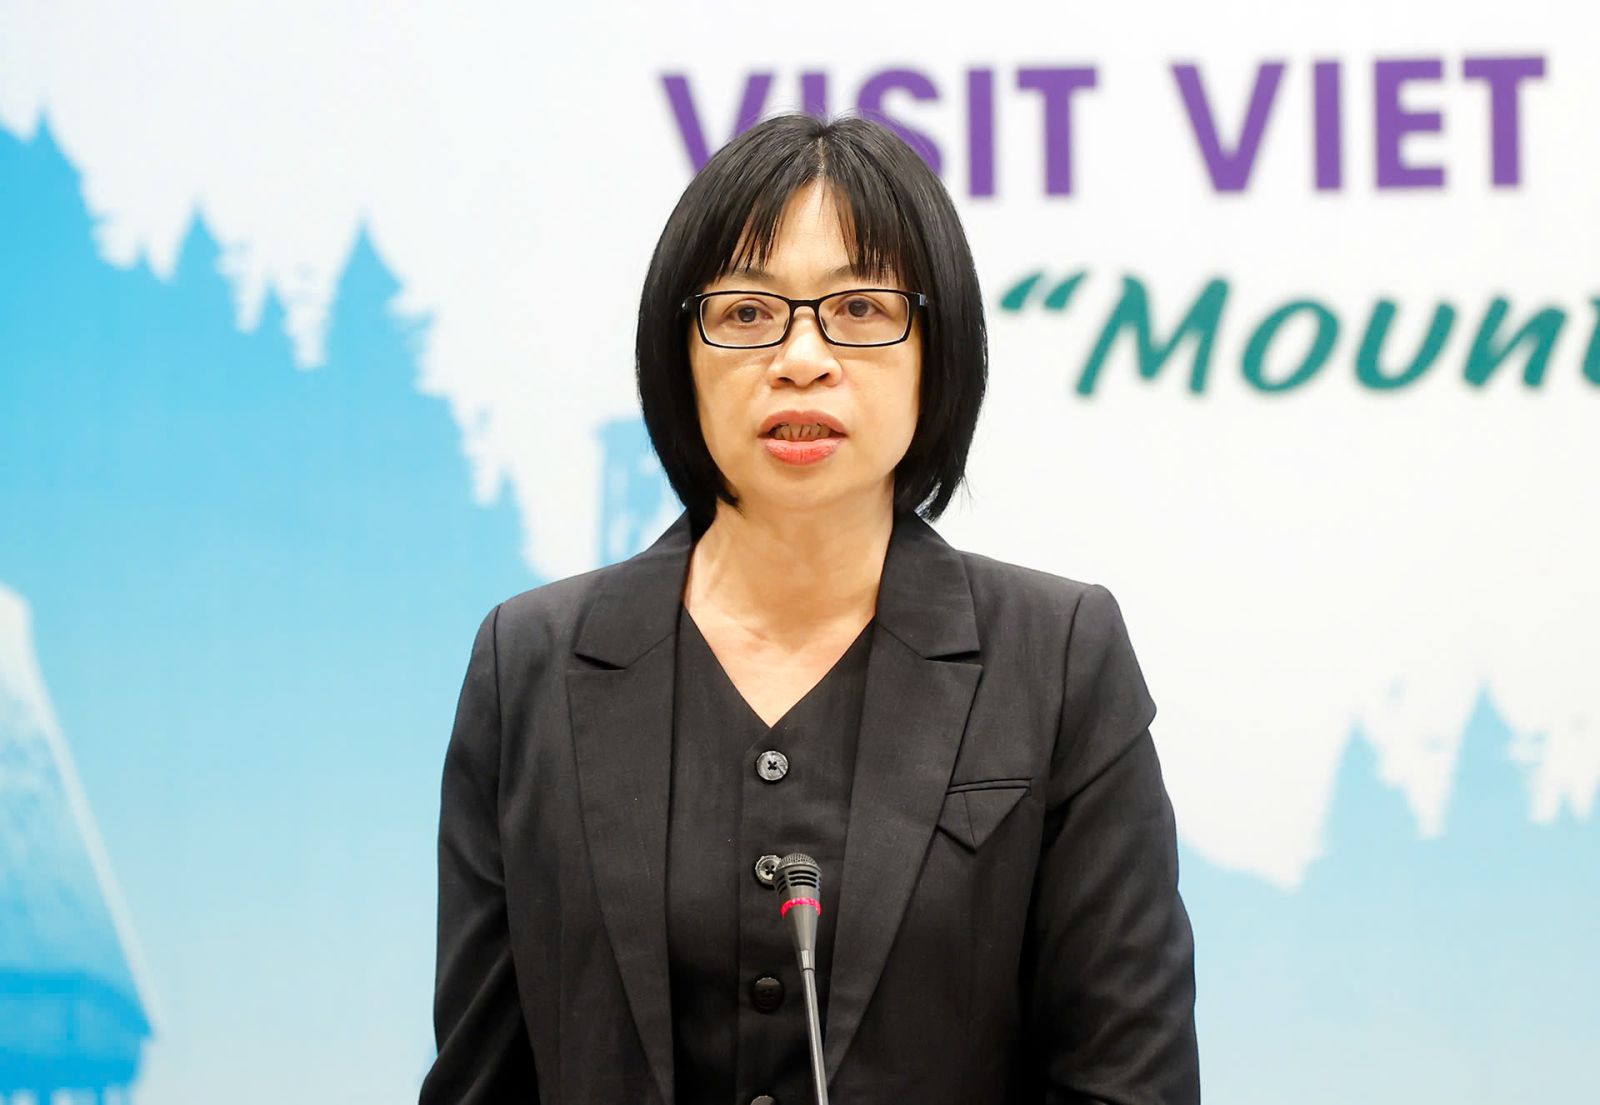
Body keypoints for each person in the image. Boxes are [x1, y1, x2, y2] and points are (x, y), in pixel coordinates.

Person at [420, 112, 1199, 1105]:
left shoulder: (1056, 659)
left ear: (939, 351)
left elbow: (1128, 1080)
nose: (801, 356)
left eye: (860, 308)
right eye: (747, 311)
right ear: (677, 355)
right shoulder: (530, 663)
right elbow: (481, 1078)